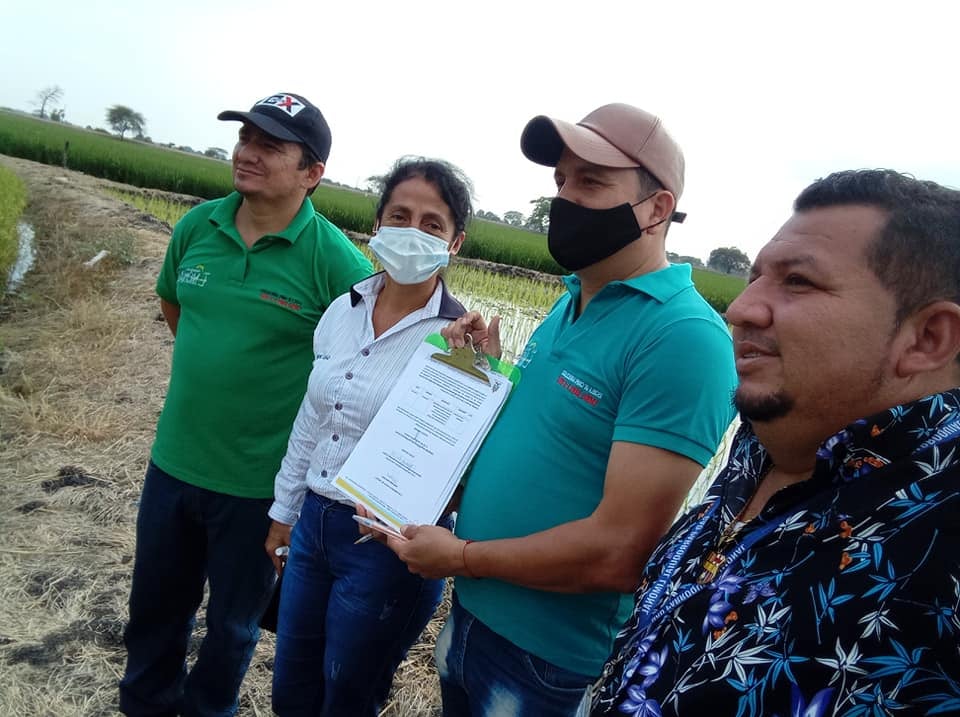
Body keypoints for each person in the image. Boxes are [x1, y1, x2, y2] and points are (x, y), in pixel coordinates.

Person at [372, 104, 738, 716]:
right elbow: (549, 440)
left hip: (546, 659)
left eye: (591, 182)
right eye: (561, 181)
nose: (565, 199)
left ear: (656, 208)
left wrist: (461, 557)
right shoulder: (572, 299)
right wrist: (484, 379)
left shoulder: (684, 338)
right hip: (473, 614)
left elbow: (619, 549)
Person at [587, 169, 960, 716]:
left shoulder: (942, 544)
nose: (740, 309)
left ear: (927, 338)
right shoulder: (769, 438)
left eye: (798, 281)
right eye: (756, 276)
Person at [119, 93, 373, 717]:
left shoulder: (337, 263)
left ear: (312, 173)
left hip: (259, 487)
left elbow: (367, 363)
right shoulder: (196, 227)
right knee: (153, 609)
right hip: (173, 464)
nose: (247, 154)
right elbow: (175, 306)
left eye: (270, 146)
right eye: (245, 139)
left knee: (232, 628)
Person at [264, 157, 473, 716]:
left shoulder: (459, 344)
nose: (412, 232)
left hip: (383, 545)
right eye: (399, 216)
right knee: (291, 690)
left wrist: (479, 369)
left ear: (454, 243)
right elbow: (312, 419)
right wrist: (284, 511)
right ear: (377, 224)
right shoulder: (342, 309)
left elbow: (457, 466)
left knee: (347, 697)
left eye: (432, 224)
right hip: (312, 526)